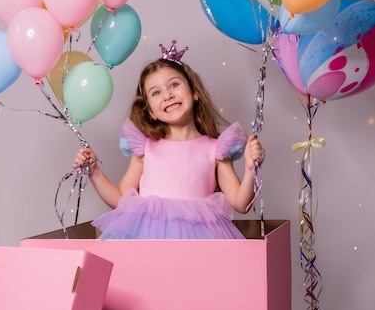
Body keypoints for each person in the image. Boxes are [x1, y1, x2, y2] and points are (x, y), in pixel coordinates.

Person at [72, 41, 265, 239]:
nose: (168, 95)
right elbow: (121, 199)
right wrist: (94, 173)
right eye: (156, 93)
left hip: (199, 241)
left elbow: (241, 204)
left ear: (195, 92)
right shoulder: (145, 149)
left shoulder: (214, 149)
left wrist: (251, 169)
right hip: (148, 240)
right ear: (151, 112)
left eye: (174, 84)